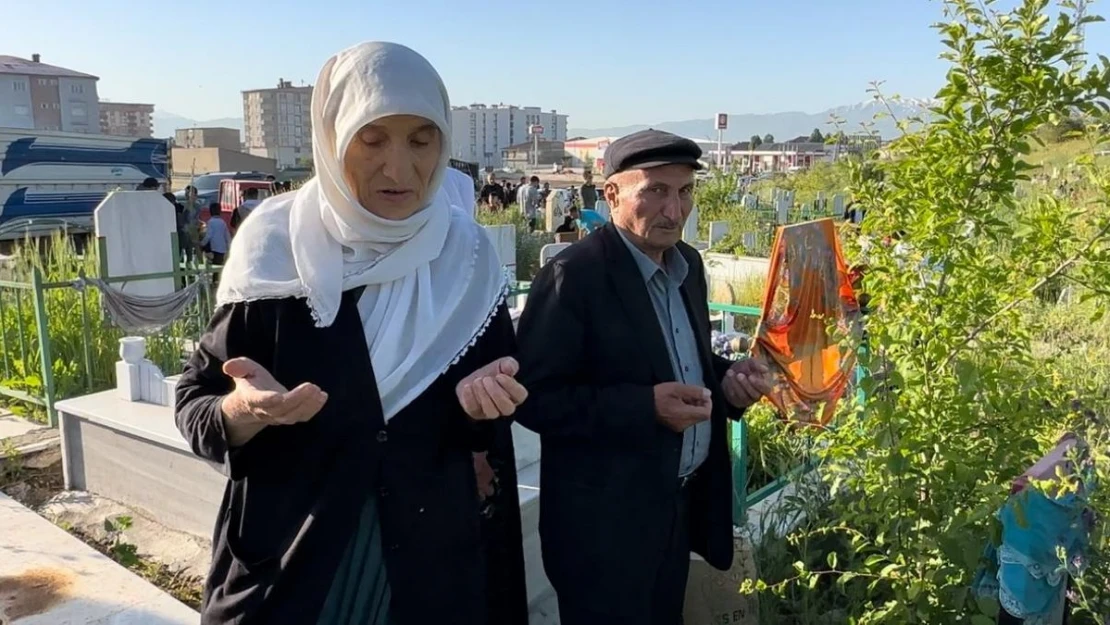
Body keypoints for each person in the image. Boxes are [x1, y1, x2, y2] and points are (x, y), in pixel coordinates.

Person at [173, 42, 528, 625]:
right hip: (295, 565)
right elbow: (196, 402)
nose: (399, 168)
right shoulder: (273, 247)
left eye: (420, 139)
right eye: (372, 139)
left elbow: (490, 416)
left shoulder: (466, 258)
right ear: (333, 136)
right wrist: (242, 411)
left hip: (427, 568)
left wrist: (482, 407)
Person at [514, 129, 774, 625]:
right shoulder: (575, 277)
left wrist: (727, 383)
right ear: (611, 194)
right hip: (603, 527)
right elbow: (536, 398)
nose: (674, 211)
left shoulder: (688, 266)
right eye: (655, 191)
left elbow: (686, 360)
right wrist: (644, 407)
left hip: (674, 508)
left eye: (684, 192)